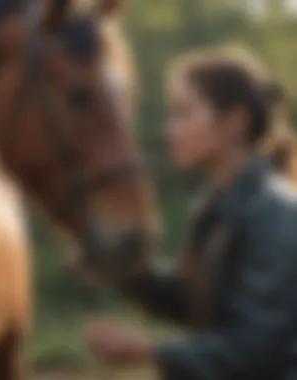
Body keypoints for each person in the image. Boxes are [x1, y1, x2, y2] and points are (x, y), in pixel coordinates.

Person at [66, 47, 297, 380]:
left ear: (233, 122)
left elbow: (256, 350)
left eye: (183, 113)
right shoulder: (218, 208)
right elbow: (192, 302)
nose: (170, 129)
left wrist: (146, 350)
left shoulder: (274, 214)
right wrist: (124, 271)